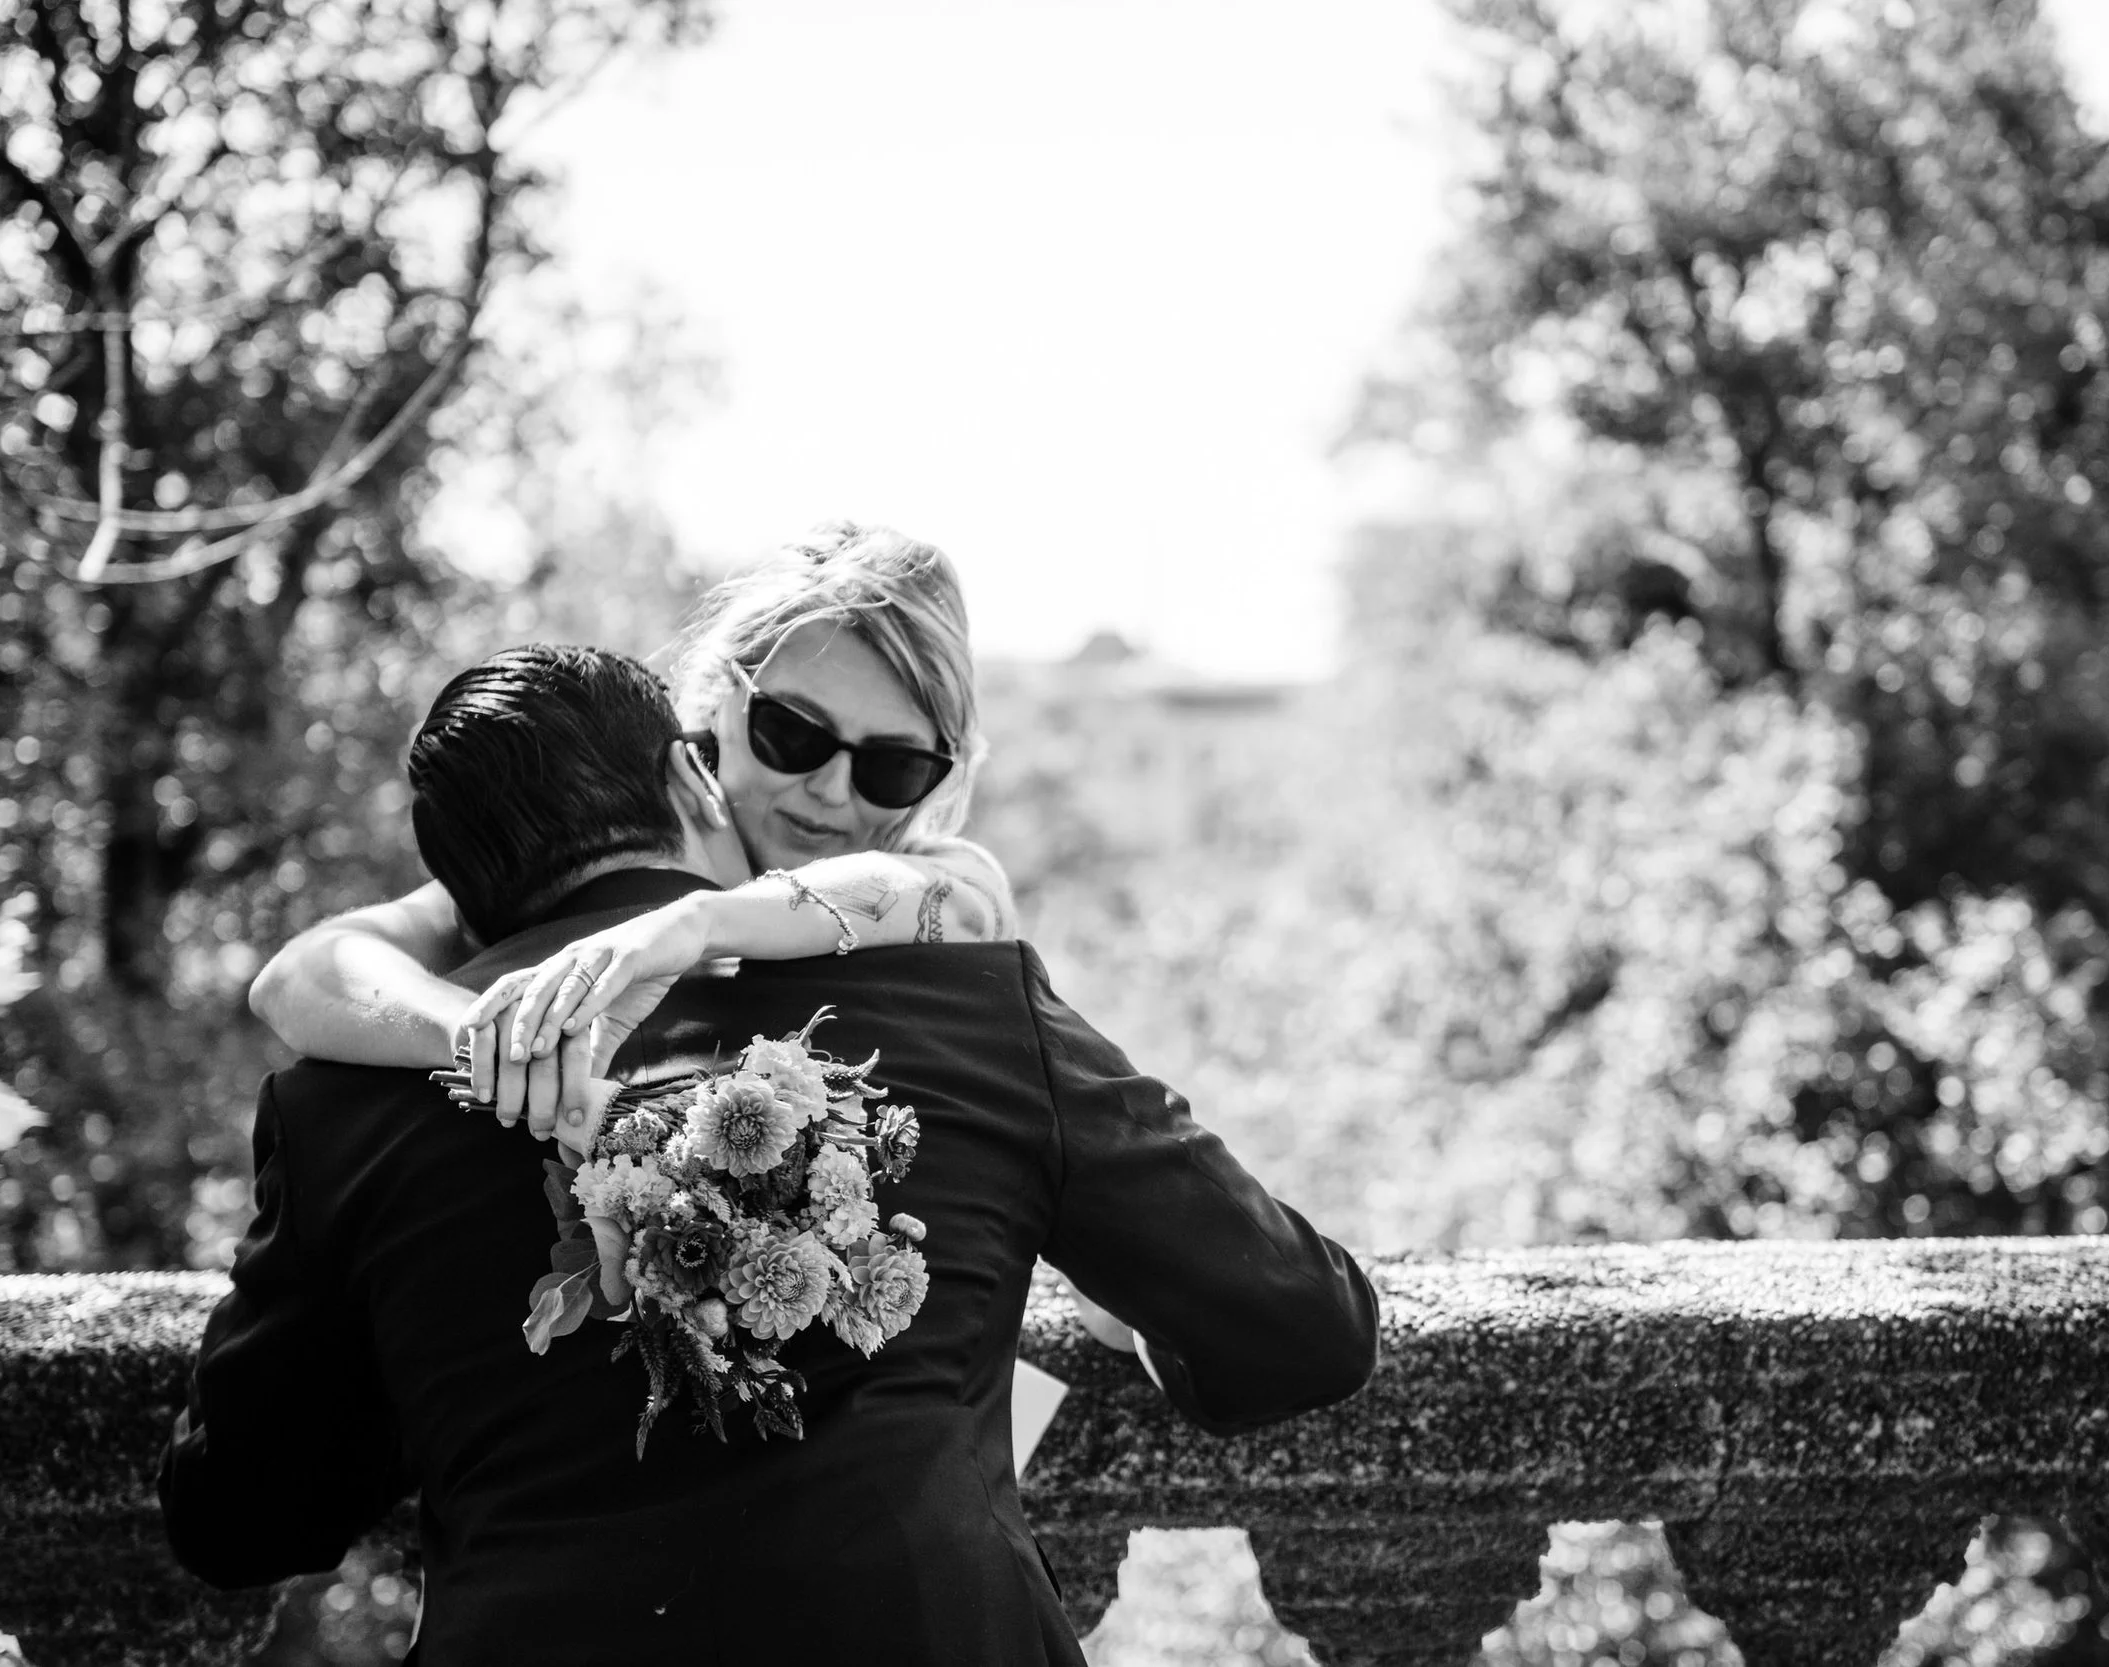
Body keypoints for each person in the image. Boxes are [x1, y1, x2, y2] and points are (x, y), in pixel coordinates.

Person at [159, 644, 1381, 1666]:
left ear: (452, 896)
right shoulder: (971, 1005)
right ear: (692, 774)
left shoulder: (343, 1110)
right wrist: (1130, 1315)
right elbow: (1302, 1327)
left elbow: (241, 1519)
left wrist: (445, 1372)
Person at [247, 522, 1017, 1108]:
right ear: (720, 693)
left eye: (894, 766)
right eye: (795, 733)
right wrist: (490, 1037)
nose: (833, 789)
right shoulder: (610, 835)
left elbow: (961, 898)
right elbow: (304, 973)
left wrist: (696, 924)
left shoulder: (932, 877)